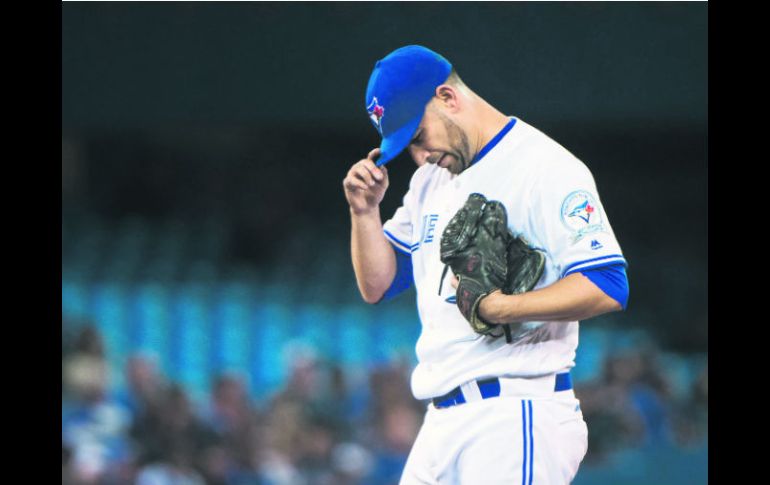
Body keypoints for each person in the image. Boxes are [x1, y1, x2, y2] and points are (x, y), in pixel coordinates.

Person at [342, 45, 629, 484]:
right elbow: (377, 285)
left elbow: (608, 284)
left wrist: (501, 307)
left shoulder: (544, 167)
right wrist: (364, 213)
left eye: (419, 136)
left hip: (515, 412)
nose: (419, 155)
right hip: (441, 420)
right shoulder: (428, 182)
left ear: (448, 98)